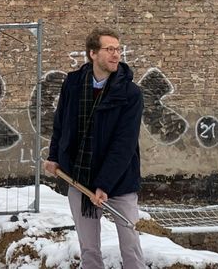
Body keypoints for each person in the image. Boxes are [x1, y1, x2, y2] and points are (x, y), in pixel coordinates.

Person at [43, 28, 146, 269]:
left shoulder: (130, 93)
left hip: (119, 181)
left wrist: (105, 184)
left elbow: (125, 144)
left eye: (118, 49)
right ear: (92, 53)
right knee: (89, 249)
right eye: (109, 49)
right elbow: (61, 123)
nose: (116, 55)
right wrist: (54, 156)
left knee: (130, 245)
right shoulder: (73, 83)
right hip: (79, 178)